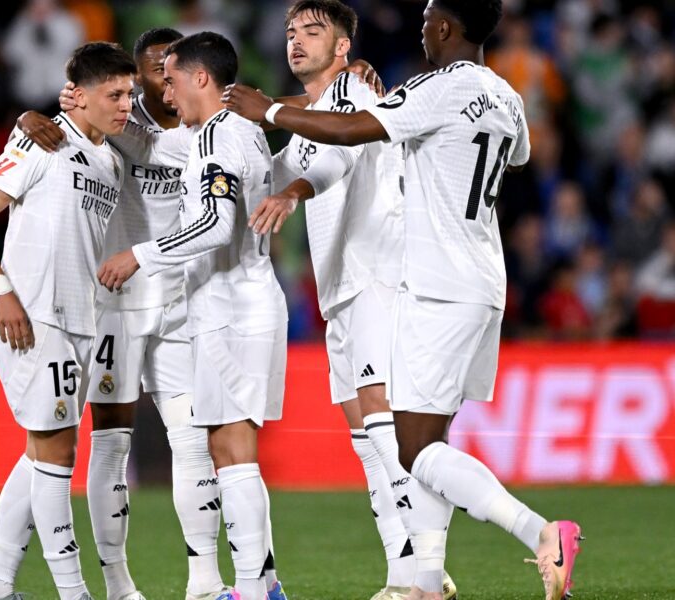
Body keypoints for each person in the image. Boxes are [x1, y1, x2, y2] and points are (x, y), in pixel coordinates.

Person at [222, 1, 582, 599]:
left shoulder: (426, 88)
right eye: (291, 31)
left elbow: (346, 135)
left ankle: (540, 532)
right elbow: (517, 157)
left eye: (427, 17)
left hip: (426, 281)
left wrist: (272, 111)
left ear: (443, 26)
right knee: (414, 442)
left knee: (410, 448)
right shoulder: (507, 96)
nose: (420, 27)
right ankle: (422, 583)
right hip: (479, 278)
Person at [247, 2, 452, 599]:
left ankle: (429, 572)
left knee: (383, 424)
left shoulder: (355, 93)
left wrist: (292, 192)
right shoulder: (308, 117)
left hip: (377, 274)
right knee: (365, 439)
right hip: (340, 286)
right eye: (291, 32)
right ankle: (402, 574)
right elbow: (275, 167)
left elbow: (336, 159)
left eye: (312, 32)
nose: (296, 41)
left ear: (342, 47)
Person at [18, 27, 228, 600]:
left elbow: (242, 121)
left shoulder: (206, 132)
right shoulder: (112, 125)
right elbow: (69, 130)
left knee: (192, 441)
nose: (162, 81)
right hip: (114, 304)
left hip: (179, 300)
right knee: (111, 443)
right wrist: (30, 118)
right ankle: (118, 583)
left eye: (171, 69)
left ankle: (205, 582)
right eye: (152, 72)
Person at [97, 32, 289, 600]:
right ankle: (262, 585)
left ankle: (251, 589)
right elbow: (153, 148)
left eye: (173, 78)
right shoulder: (236, 131)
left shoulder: (217, 138)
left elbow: (214, 225)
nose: (165, 92)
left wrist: (140, 255)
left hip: (232, 309)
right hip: (241, 304)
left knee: (234, 453)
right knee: (228, 451)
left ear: (200, 77)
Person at [0, 41, 135, 600]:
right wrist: (2, 291)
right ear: (77, 96)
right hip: (34, 317)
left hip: (80, 319)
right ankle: (73, 591)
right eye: (114, 94)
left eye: (129, 94)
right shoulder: (42, 141)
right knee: (59, 453)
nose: (125, 105)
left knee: (40, 453)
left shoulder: (111, 160)